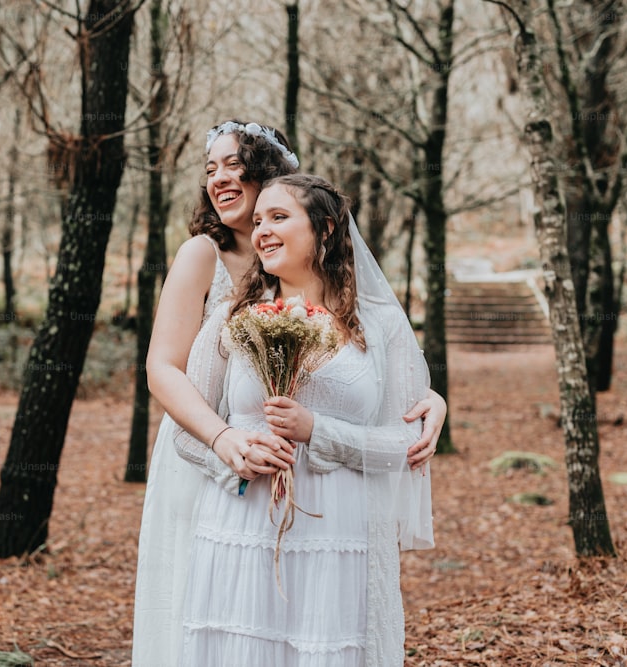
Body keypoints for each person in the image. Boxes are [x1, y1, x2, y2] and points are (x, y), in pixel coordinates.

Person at [131, 123, 443, 666]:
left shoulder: (364, 310)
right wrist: (225, 440)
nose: (220, 179)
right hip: (211, 445)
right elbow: (163, 369)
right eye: (210, 170)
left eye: (234, 165)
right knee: (197, 604)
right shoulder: (210, 268)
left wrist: (431, 401)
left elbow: (382, 395)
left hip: (328, 504)